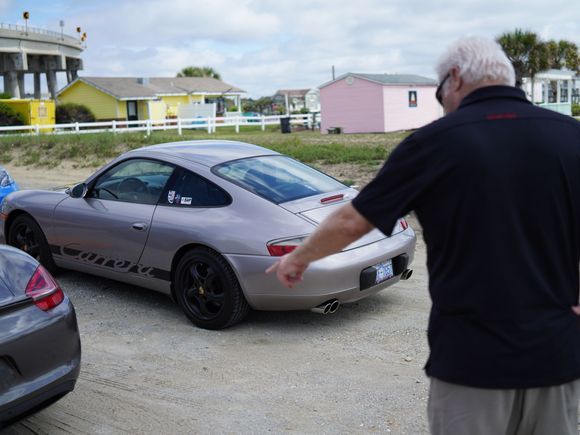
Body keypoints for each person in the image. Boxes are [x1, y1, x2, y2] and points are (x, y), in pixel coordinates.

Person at [267, 36, 580, 435]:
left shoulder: (433, 144)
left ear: (454, 79)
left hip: (472, 360)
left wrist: (298, 258)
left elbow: (351, 222)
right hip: (557, 355)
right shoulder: (570, 136)